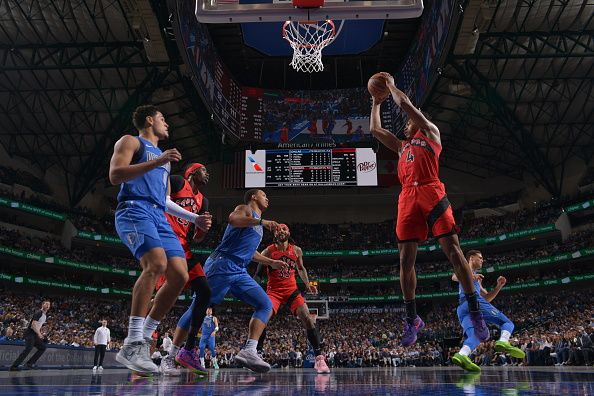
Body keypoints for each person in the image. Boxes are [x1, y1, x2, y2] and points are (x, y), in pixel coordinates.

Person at [369, 73, 488, 346]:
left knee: (455, 252)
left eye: (415, 117)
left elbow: (406, 105)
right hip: (407, 196)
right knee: (405, 260)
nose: (411, 120)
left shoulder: (432, 133)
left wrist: (390, 86)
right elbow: (375, 131)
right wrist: (375, 102)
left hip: (431, 191)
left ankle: (475, 311)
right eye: (411, 119)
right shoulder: (401, 147)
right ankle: (412, 318)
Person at [109, 105, 212, 374]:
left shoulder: (165, 161)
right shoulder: (131, 141)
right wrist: (155, 161)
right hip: (134, 208)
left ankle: (143, 336)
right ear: (149, 120)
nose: (167, 124)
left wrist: (194, 219)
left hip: (158, 214)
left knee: (179, 275)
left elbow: (165, 202)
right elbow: (115, 174)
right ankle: (133, 341)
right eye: (163, 119)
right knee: (155, 264)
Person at [203, 189, 286, 373]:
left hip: (239, 270)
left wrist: (271, 262)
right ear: (254, 197)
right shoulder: (245, 209)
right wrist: (262, 222)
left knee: (265, 304)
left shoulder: (257, 225)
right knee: (199, 307)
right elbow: (233, 219)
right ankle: (175, 352)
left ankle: (249, 350)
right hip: (222, 264)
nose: (267, 198)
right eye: (264, 194)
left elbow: (250, 253)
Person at [155, 163, 213, 376]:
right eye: (203, 170)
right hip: (167, 241)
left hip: (185, 249)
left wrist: (203, 229)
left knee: (205, 291)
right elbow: (161, 201)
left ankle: (186, 350)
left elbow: (197, 237)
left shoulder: (203, 200)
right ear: (192, 173)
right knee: (163, 299)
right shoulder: (178, 181)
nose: (207, 174)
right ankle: (144, 345)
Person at [254, 224, 330, 373]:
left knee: (308, 318)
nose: (281, 231)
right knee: (262, 318)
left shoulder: (296, 250)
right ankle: (257, 354)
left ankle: (319, 358)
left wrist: (308, 285)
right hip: (273, 292)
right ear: (274, 234)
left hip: (291, 291)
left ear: (288, 232)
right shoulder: (268, 251)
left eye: (284, 229)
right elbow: (258, 274)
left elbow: (301, 268)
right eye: (278, 230)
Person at [451, 250, 525, 372]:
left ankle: (462, 354)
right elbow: (454, 277)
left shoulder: (477, 277)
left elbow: (487, 298)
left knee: (477, 335)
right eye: (480, 257)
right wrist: (472, 276)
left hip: (463, 308)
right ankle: (503, 341)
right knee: (507, 323)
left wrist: (499, 286)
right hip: (473, 302)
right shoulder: (465, 269)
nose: (482, 260)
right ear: (471, 258)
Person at [10, 301, 50, 371]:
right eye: (46, 304)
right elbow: (33, 325)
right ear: (42, 305)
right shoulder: (39, 313)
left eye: (49, 305)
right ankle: (14, 366)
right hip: (30, 333)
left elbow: (38, 326)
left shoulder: (45, 316)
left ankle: (29, 363)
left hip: (35, 334)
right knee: (28, 349)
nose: (47, 305)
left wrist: (41, 334)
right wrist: (39, 334)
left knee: (42, 347)